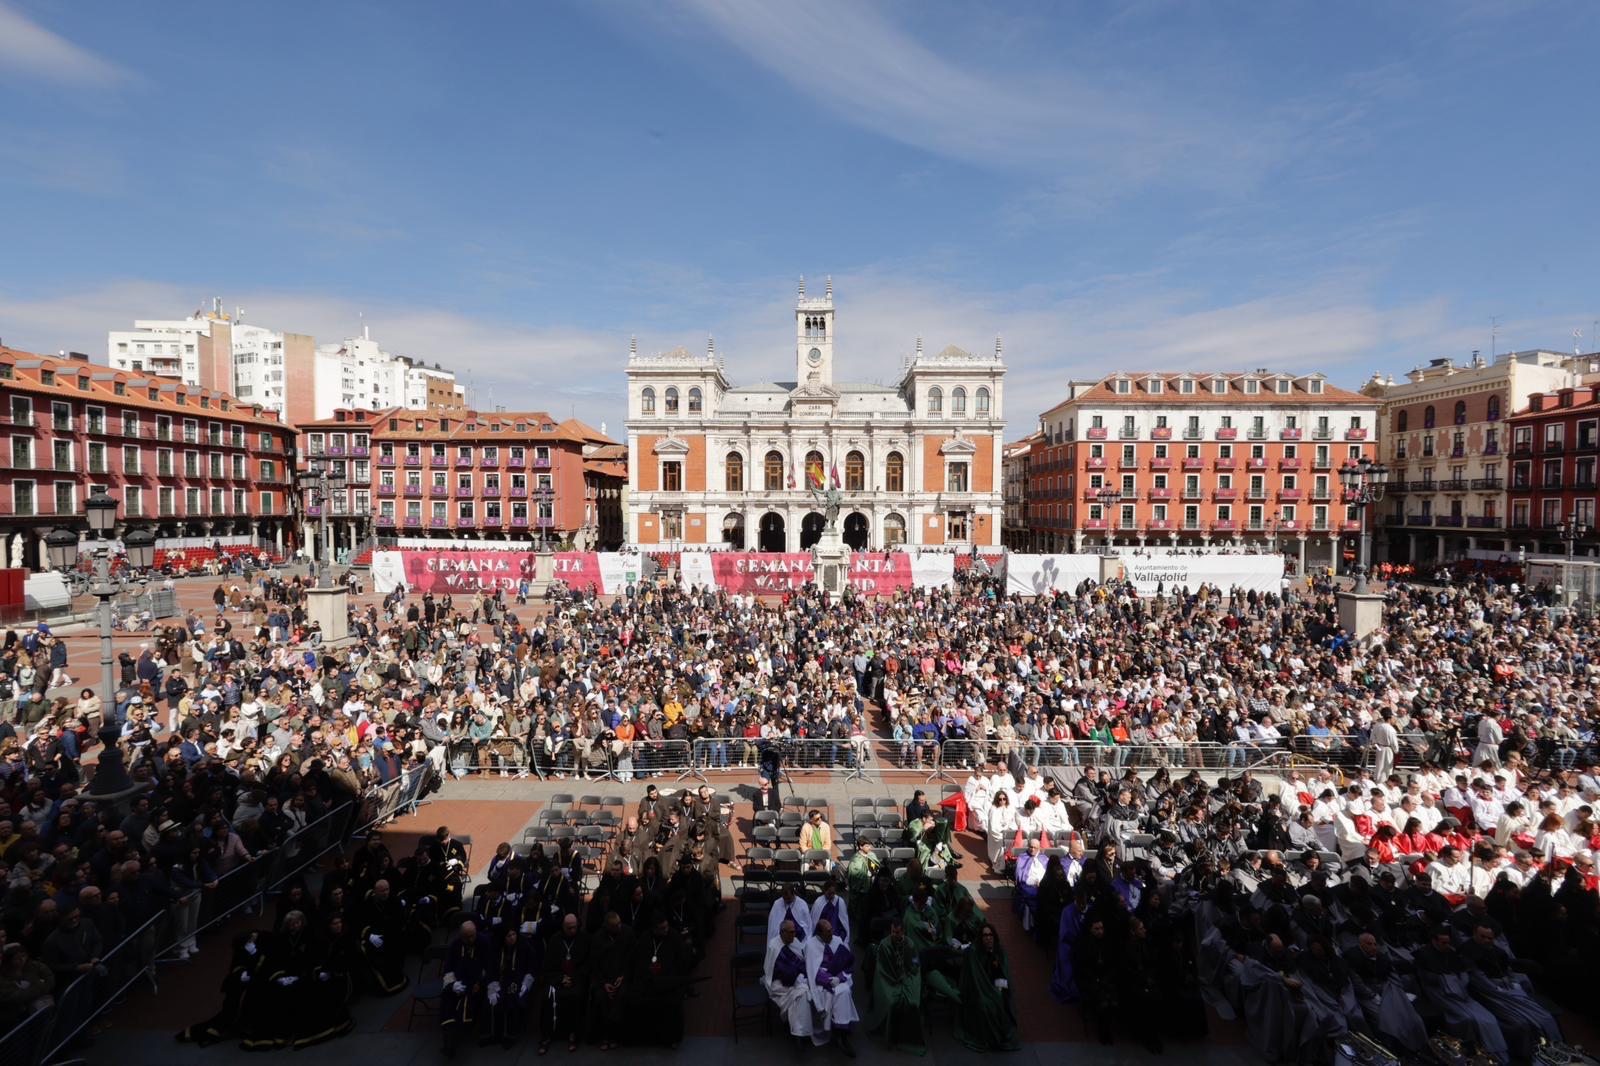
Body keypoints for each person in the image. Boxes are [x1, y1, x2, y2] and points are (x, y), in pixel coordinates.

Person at [625, 913, 692, 1047]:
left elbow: (682, 962)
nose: (666, 930)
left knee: (672, 1003)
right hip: (648, 980)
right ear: (654, 929)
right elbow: (637, 960)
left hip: (668, 981)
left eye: (666, 927)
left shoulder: (674, 937)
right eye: (662, 928)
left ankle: (671, 1038)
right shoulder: (645, 938)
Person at [955, 923, 1021, 1052]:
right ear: (981, 938)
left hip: (995, 986)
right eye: (985, 935)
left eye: (990, 935)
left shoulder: (998, 951)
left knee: (1002, 1000)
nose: (988, 938)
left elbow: (1002, 972)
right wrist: (989, 991)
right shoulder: (974, 953)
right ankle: (988, 1039)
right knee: (985, 1005)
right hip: (978, 989)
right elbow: (975, 977)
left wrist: (1000, 989)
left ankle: (1001, 1036)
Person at [863, 917, 925, 1055]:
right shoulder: (884, 945)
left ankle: (907, 1038)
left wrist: (912, 972)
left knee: (912, 1002)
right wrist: (896, 980)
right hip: (889, 980)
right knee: (892, 1003)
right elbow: (881, 969)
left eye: (898, 932)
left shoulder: (910, 944)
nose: (894, 935)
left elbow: (915, 961)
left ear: (903, 932)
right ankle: (891, 1037)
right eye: (892, 932)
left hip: (908, 977)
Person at [538, 912, 590, 1054]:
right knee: (548, 996)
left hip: (577, 978)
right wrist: (561, 979)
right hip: (557, 978)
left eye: (574, 927)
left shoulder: (583, 938)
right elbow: (548, 966)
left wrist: (571, 977)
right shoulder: (555, 940)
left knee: (577, 995)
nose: (572, 931)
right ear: (563, 927)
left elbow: (586, 964)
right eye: (569, 928)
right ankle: (547, 1035)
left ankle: (573, 1034)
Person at [805, 918, 858, 1054]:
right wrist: (828, 980)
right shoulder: (811, 945)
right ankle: (835, 1030)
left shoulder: (837, 940)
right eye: (828, 931)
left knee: (844, 991)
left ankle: (843, 1035)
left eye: (831, 930)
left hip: (837, 978)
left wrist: (839, 978)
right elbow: (812, 971)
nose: (832, 933)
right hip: (821, 982)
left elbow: (847, 962)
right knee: (830, 994)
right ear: (820, 933)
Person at [439, 920, 489, 1059]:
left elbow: (489, 966)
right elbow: (448, 968)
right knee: (447, 1001)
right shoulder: (455, 945)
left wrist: (480, 982)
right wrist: (452, 984)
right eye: (467, 937)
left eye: (472, 935)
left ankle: (453, 1040)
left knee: (467, 1006)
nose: (471, 939)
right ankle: (448, 1040)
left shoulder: (483, 942)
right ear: (461, 936)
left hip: (475, 983)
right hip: (458, 982)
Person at [762, 918, 813, 1047]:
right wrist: (795, 975)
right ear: (782, 932)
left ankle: (799, 1033)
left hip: (795, 979)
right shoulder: (774, 946)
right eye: (790, 932)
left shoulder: (795, 942)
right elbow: (778, 970)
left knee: (802, 994)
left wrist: (800, 973)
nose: (794, 935)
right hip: (779, 983)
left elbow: (802, 961)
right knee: (802, 993)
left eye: (794, 932)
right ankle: (800, 1034)